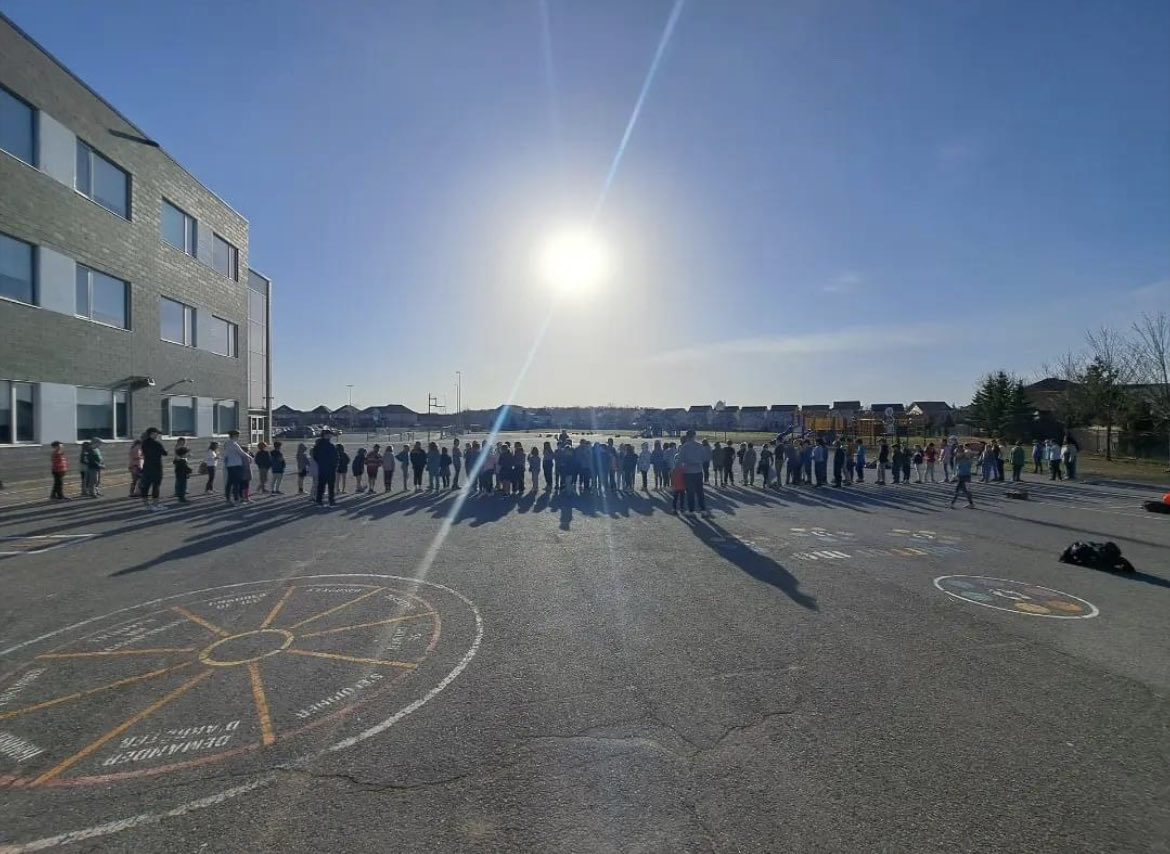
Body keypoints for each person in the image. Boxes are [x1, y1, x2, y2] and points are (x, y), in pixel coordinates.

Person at [677, 429, 709, 513]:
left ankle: (691, 510)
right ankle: (703, 510)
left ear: (687, 437)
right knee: (700, 492)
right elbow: (705, 458)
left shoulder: (684, 447)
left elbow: (679, 461)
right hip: (698, 471)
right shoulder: (700, 446)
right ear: (694, 436)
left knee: (690, 493)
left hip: (688, 472)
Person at [139, 428, 168, 510]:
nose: (157, 435)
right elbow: (165, 453)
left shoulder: (144, 443)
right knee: (156, 486)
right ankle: (155, 504)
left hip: (147, 467)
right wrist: (165, 451)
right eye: (156, 433)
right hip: (156, 467)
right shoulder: (157, 444)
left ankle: (146, 505)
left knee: (146, 486)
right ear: (152, 433)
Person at [222, 430, 253, 504]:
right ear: (234, 436)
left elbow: (226, 455)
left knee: (229, 482)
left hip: (230, 465)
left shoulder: (227, 443)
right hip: (236, 465)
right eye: (237, 435)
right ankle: (236, 499)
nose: (238, 437)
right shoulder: (234, 444)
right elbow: (242, 453)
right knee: (236, 483)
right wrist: (250, 457)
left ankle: (228, 499)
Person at [311, 430, 339, 505]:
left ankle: (320, 500)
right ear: (325, 435)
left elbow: (315, 456)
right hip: (328, 468)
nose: (331, 436)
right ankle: (330, 501)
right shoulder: (327, 445)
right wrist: (334, 465)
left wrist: (321, 463)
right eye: (329, 435)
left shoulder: (319, 445)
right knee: (328, 485)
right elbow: (335, 457)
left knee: (322, 485)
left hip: (324, 468)